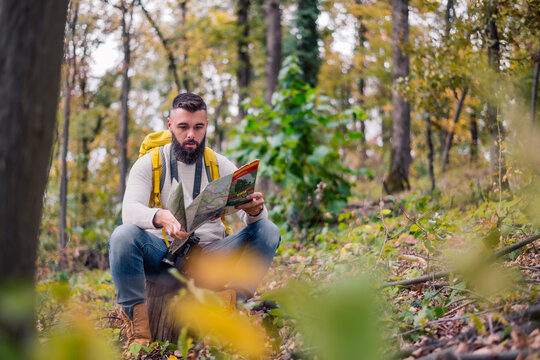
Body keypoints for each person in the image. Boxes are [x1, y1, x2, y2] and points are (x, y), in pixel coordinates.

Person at [108, 92, 281, 349]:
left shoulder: (218, 165)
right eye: (183, 127)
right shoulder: (150, 164)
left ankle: (233, 308)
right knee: (121, 236)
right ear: (170, 125)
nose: (191, 134)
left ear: (206, 126)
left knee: (268, 229)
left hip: (210, 260)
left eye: (198, 127)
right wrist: (160, 216)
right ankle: (139, 333)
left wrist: (255, 210)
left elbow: (256, 222)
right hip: (163, 259)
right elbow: (129, 211)